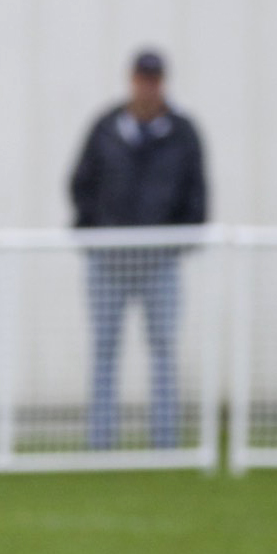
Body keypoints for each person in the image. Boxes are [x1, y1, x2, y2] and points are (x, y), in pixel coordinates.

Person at [68, 48, 208, 449]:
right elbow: (81, 185)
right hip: (108, 258)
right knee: (105, 348)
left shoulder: (182, 132)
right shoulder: (106, 126)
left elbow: (196, 193)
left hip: (160, 259)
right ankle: (100, 444)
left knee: (163, 348)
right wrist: (95, 233)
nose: (147, 87)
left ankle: (165, 443)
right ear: (131, 80)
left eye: (154, 79)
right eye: (141, 78)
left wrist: (177, 240)